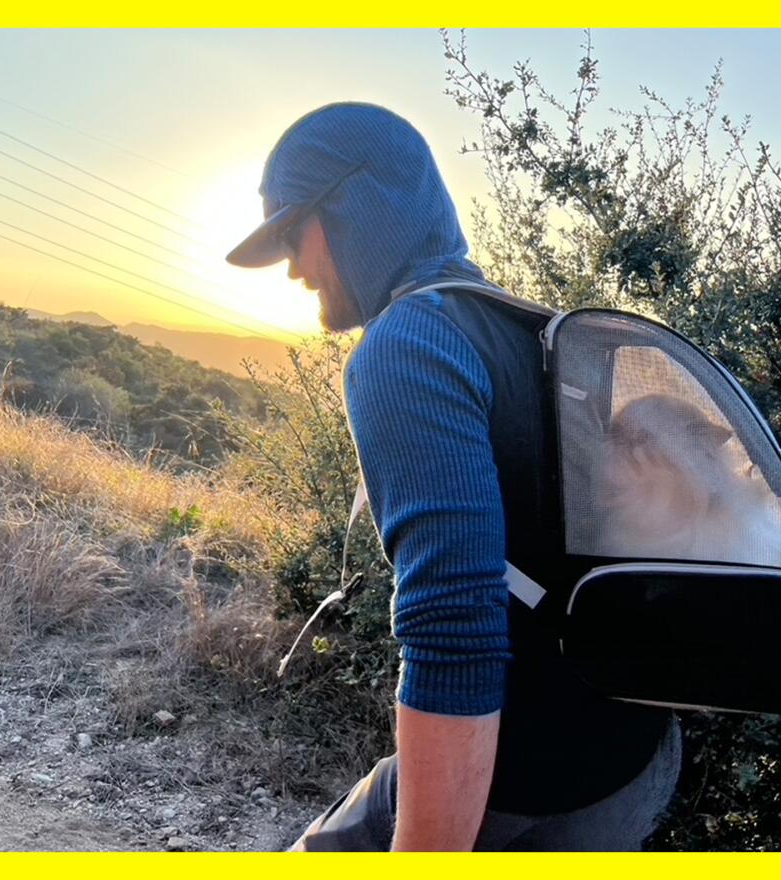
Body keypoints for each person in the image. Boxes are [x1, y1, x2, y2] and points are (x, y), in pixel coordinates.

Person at [226, 102, 681, 851]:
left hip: (521, 781)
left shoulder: (409, 345)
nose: (296, 271)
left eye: (295, 236)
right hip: (629, 764)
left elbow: (455, 629)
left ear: (356, 208)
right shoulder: (526, 329)